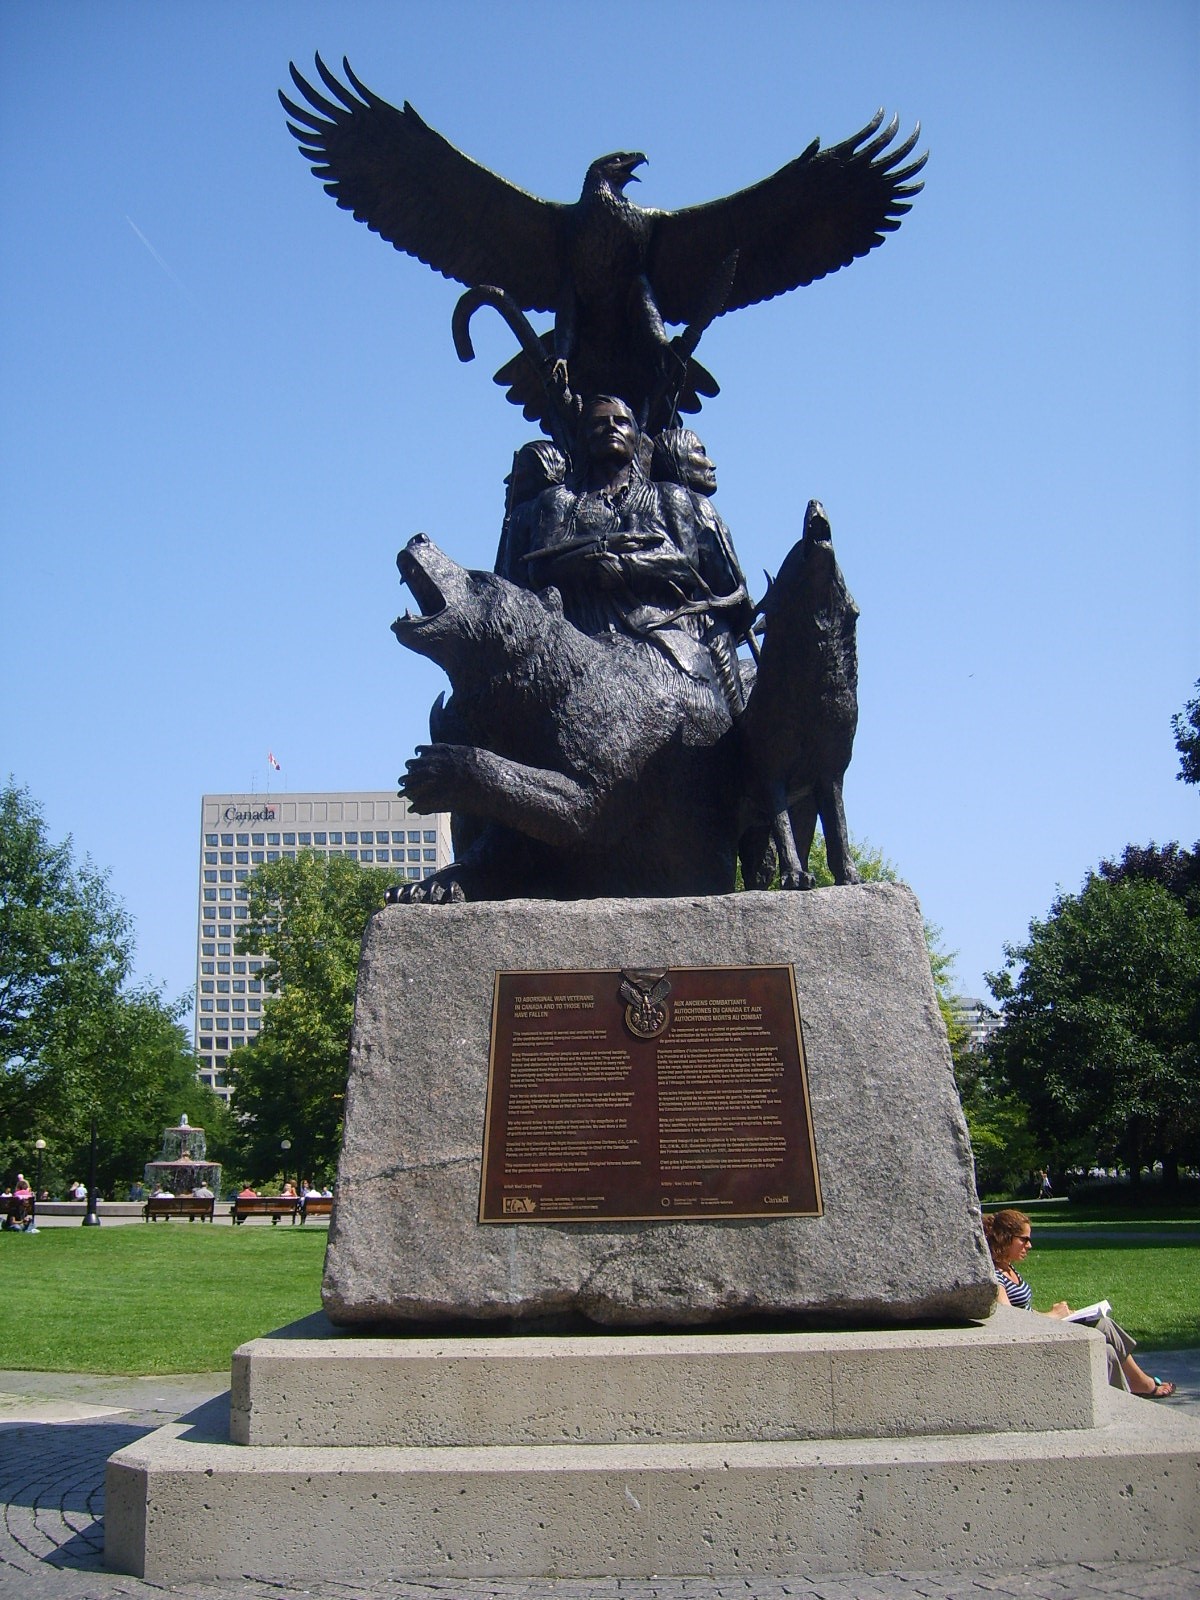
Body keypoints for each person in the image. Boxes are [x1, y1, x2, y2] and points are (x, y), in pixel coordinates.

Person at [514, 396, 753, 708]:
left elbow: (686, 562)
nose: (611, 428)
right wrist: (597, 556)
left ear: (636, 436)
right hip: (581, 635)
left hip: (662, 631)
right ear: (584, 438)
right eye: (600, 423)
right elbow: (541, 567)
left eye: (621, 421)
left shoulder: (671, 497)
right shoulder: (559, 501)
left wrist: (626, 566)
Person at [983, 1208, 1175, 1397]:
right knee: (1103, 1325)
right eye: (1024, 1239)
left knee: (1105, 1348)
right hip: (1030, 1342)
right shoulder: (996, 1277)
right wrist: (1053, 1317)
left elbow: (1025, 1310)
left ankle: (1127, 1395)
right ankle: (1140, 1383)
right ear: (1005, 1238)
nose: (1029, 1245)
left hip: (1038, 1330)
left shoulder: (1009, 1269)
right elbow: (1011, 1320)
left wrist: (1058, 1314)